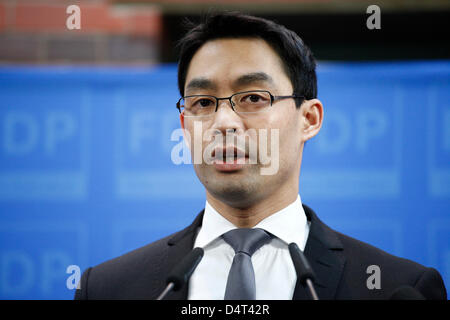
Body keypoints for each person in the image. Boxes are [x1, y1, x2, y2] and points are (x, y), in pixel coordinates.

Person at [74, 12, 446, 300]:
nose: (223, 122)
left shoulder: (396, 287)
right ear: (185, 126)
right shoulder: (110, 288)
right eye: (203, 103)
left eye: (253, 98)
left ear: (309, 119)